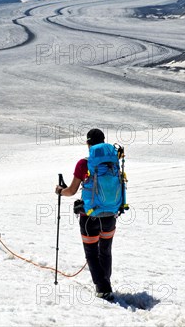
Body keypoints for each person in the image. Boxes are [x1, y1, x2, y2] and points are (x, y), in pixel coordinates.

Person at [55, 128, 117, 301]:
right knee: (105, 250)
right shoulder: (113, 161)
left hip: (89, 216)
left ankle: (103, 287)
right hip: (111, 213)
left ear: (88, 143)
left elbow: (72, 191)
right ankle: (105, 282)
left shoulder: (84, 164)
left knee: (91, 253)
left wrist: (60, 191)